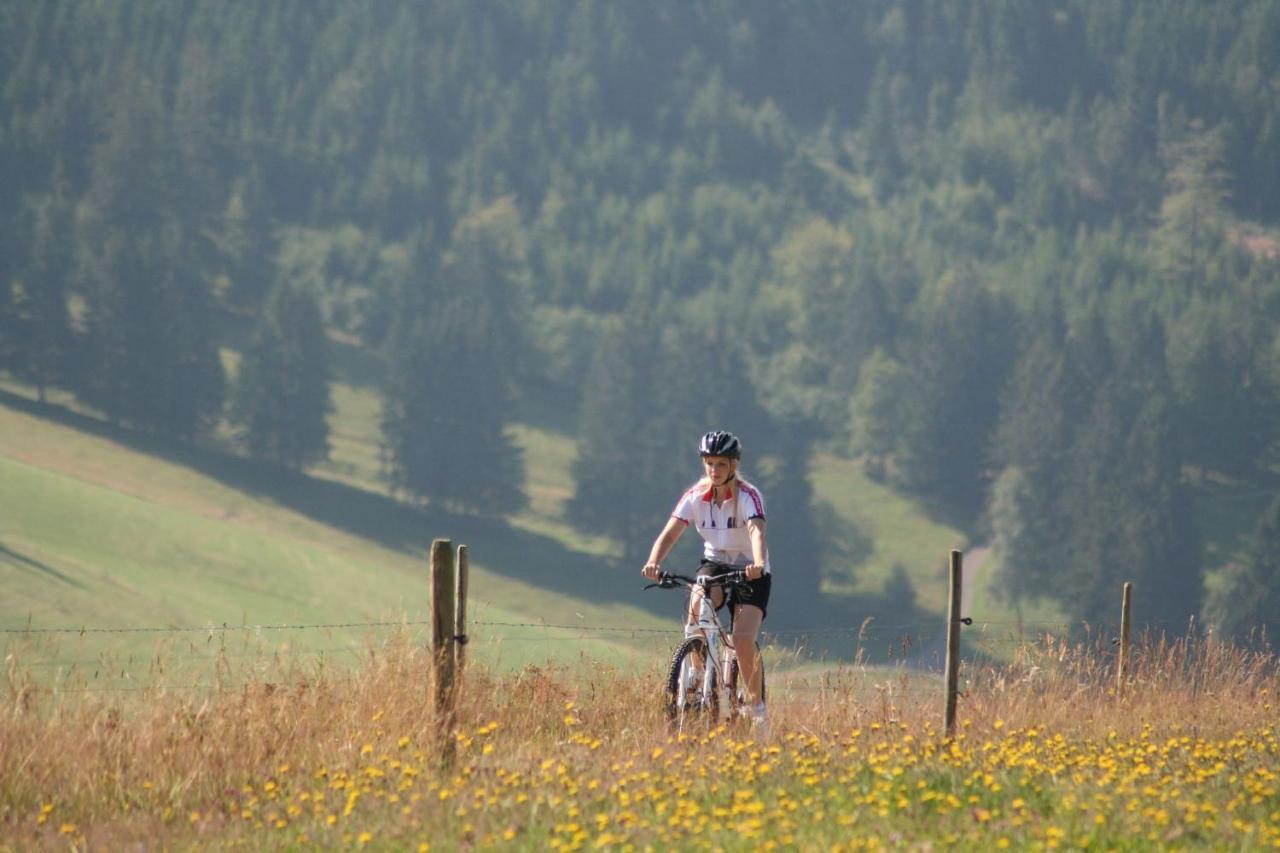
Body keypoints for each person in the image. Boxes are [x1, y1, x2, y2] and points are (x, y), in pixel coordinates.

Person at [641, 430, 771, 730]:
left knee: (741, 640)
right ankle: (697, 677)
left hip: (750, 566)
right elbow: (671, 532)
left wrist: (759, 562)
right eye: (709, 463)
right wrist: (653, 561)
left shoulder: (748, 496)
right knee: (697, 609)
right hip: (714, 563)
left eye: (721, 464)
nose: (714, 470)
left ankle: (757, 707)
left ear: (733, 465)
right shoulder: (695, 496)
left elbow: (756, 530)